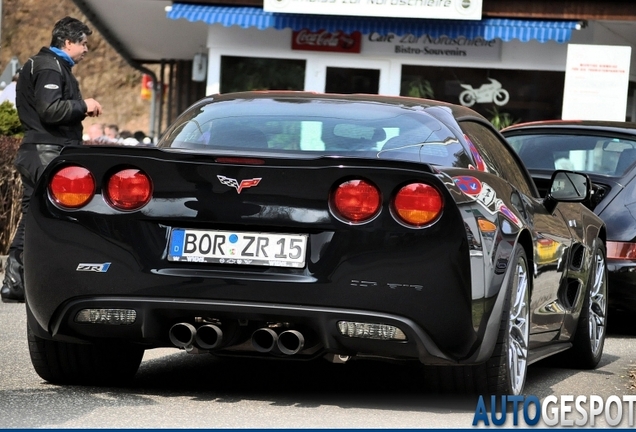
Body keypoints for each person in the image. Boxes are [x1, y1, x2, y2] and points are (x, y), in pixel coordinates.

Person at [1, 16, 102, 303]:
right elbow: (50, 110)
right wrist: (85, 104)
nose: (86, 50)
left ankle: (16, 283)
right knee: (63, 218)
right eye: (83, 43)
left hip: (39, 151)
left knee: (31, 218)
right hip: (46, 152)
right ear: (67, 42)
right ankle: (56, 283)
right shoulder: (48, 66)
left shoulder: (49, 65)